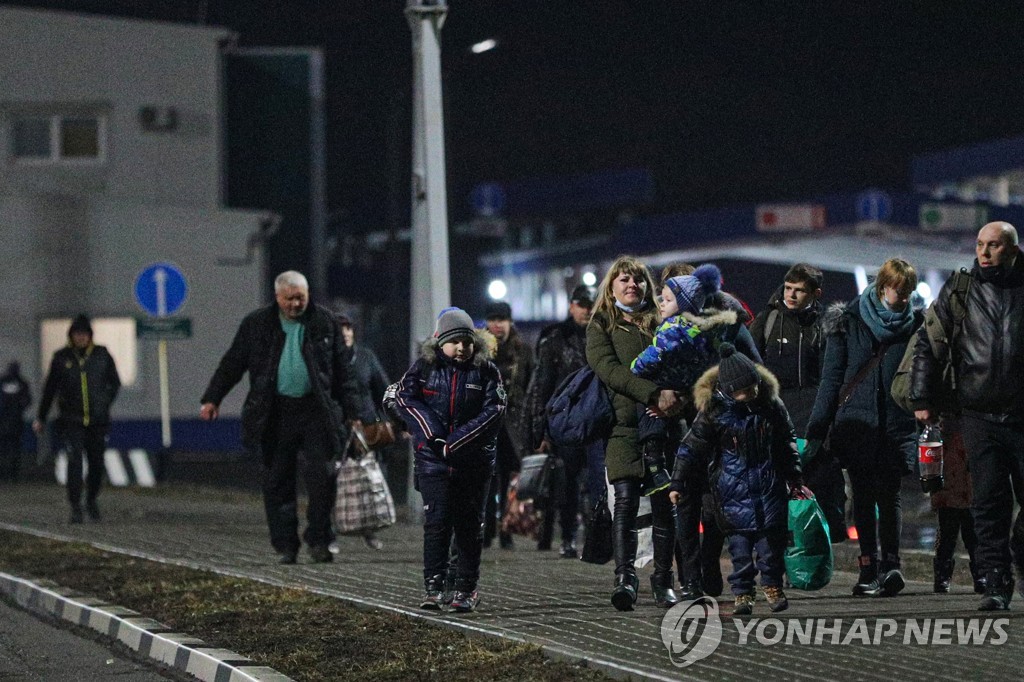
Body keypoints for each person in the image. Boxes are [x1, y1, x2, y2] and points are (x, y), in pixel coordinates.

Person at [200, 271, 355, 565]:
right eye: (290, 299)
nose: (297, 304)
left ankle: (319, 539)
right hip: (274, 413)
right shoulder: (257, 325)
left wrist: (357, 413)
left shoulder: (325, 322)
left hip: (316, 411)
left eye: (302, 298)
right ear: (278, 297)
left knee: (323, 478)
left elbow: (344, 372)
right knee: (276, 482)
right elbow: (233, 362)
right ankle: (286, 544)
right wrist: (212, 398)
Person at [910, 221, 1024, 610]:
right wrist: (922, 396)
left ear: (1012, 248)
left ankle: (1017, 557)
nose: (985, 252)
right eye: (979, 244)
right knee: (988, 504)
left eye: (993, 245)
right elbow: (928, 342)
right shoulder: (961, 289)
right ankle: (996, 583)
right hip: (978, 415)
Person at [806, 258, 923, 598]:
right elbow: (831, 381)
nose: (904, 299)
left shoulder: (916, 325)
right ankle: (868, 568)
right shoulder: (849, 321)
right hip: (856, 426)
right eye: (899, 291)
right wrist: (817, 430)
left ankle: (891, 566)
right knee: (863, 496)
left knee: (890, 496)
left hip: (895, 424)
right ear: (882, 286)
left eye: (908, 293)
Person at [632, 263, 744, 599]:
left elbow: (644, 365)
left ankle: (697, 574)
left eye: (667, 296)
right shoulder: (706, 328)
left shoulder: (682, 330)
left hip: (696, 425)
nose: (660, 302)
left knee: (698, 505)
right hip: (693, 423)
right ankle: (694, 577)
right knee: (696, 504)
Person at [669, 343, 802, 615]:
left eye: (750, 389)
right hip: (731, 491)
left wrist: (794, 476)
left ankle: (773, 586)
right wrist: (678, 482)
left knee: (771, 548)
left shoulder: (771, 406)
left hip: (768, 488)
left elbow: (786, 441)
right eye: (740, 392)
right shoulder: (716, 412)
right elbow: (691, 447)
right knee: (739, 550)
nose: (747, 396)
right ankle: (742, 592)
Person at [394, 307, 506, 613]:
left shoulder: (486, 372)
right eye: (454, 341)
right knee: (437, 524)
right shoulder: (424, 369)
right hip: (433, 464)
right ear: (440, 341)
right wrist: (434, 438)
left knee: (470, 526)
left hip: (474, 464)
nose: (461, 348)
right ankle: (434, 586)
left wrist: (454, 444)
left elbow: (493, 412)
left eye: (466, 341)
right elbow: (405, 399)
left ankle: (465, 588)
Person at [586, 255, 679, 610]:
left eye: (638, 280)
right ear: (611, 287)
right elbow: (608, 369)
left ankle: (662, 580)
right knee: (623, 503)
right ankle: (624, 578)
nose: (631, 285)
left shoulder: (661, 320)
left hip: (662, 427)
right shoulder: (601, 325)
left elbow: (680, 362)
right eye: (624, 280)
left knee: (663, 505)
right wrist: (651, 393)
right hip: (621, 429)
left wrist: (674, 398)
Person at [748, 263, 846, 543]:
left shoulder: (825, 325)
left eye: (799, 291)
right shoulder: (768, 320)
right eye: (788, 288)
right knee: (776, 486)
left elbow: (831, 374)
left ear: (815, 293)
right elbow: (751, 364)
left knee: (812, 485)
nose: (790, 295)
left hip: (812, 416)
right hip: (775, 413)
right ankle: (779, 549)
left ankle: (811, 545)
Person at [528, 284, 596, 558]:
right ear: (572, 306)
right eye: (582, 304)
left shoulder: (602, 335)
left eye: (590, 305)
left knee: (596, 484)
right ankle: (567, 537)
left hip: (596, 419)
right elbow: (543, 385)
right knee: (567, 483)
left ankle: (594, 538)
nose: (586, 310)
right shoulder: (556, 338)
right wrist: (541, 428)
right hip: (566, 422)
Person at [33, 315, 121, 523]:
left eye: (84, 334)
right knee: (74, 464)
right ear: (71, 336)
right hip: (71, 420)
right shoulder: (61, 358)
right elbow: (50, 389)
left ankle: (91, 499)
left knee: (96, 463)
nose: (81, 338)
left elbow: (114, 382)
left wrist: (104, 402)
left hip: (98, 421)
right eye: (77, 334)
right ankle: (75, 505)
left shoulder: (101, 355)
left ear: (90, 336)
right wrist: (41, 417)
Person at [337, 314, 392, 551]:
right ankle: (331, 530)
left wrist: (397, 419)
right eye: (341, 329)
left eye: (349, 328)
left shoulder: (366, 357)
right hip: (339, 427)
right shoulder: (328, 359)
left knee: (372, 476)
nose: (346, 333)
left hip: (368, 425)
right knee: (335, 478)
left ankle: (371, 528)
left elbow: (383, 388)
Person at [482, 300, 534, 549]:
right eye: (493, 320)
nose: (497, 325)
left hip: (513, 424)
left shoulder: (523, 351)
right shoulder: (479, 350)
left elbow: (531, 385)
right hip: (486, 424)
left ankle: (507, 530)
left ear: (510, 322)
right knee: (487, 479)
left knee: (510, 480)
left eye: (502, 320)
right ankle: (487, 529)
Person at [0, 361, 31, 482]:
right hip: (16, 421)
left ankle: (6, 474)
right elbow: (27, 400)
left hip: (5, 421)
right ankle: (13, 474)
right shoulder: (22, 384)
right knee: (14, 448)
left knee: (5, 449)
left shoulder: (2, 382)